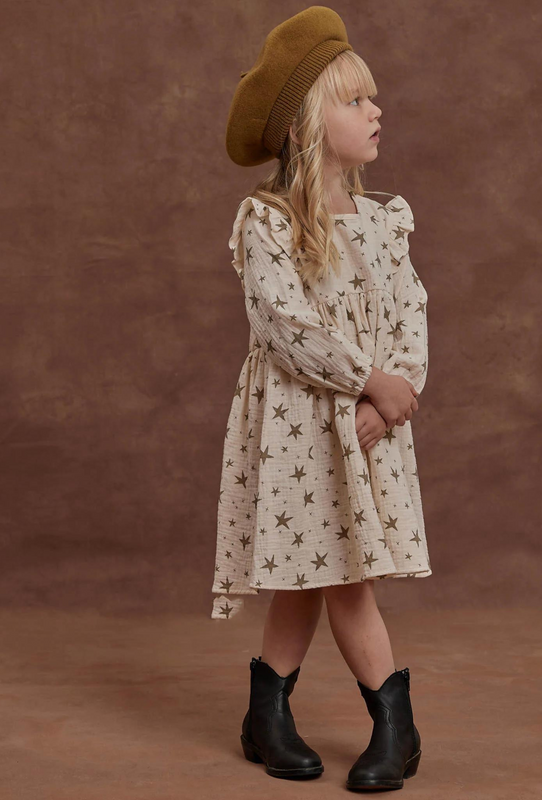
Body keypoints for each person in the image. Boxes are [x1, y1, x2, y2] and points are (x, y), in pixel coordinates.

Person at [212, 6, 430, 791]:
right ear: (307, 125)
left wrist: (395, 393)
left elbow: (409, 312)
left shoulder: (384, 222)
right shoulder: (267, 223)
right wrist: (369, 380)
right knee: (335, 575)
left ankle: (266, 712)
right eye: (355, 99)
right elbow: (284, 326)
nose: (376, 110)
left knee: (315, 570)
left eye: (373, 97)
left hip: (365, 427)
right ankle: (394, 727)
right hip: (298, 427)